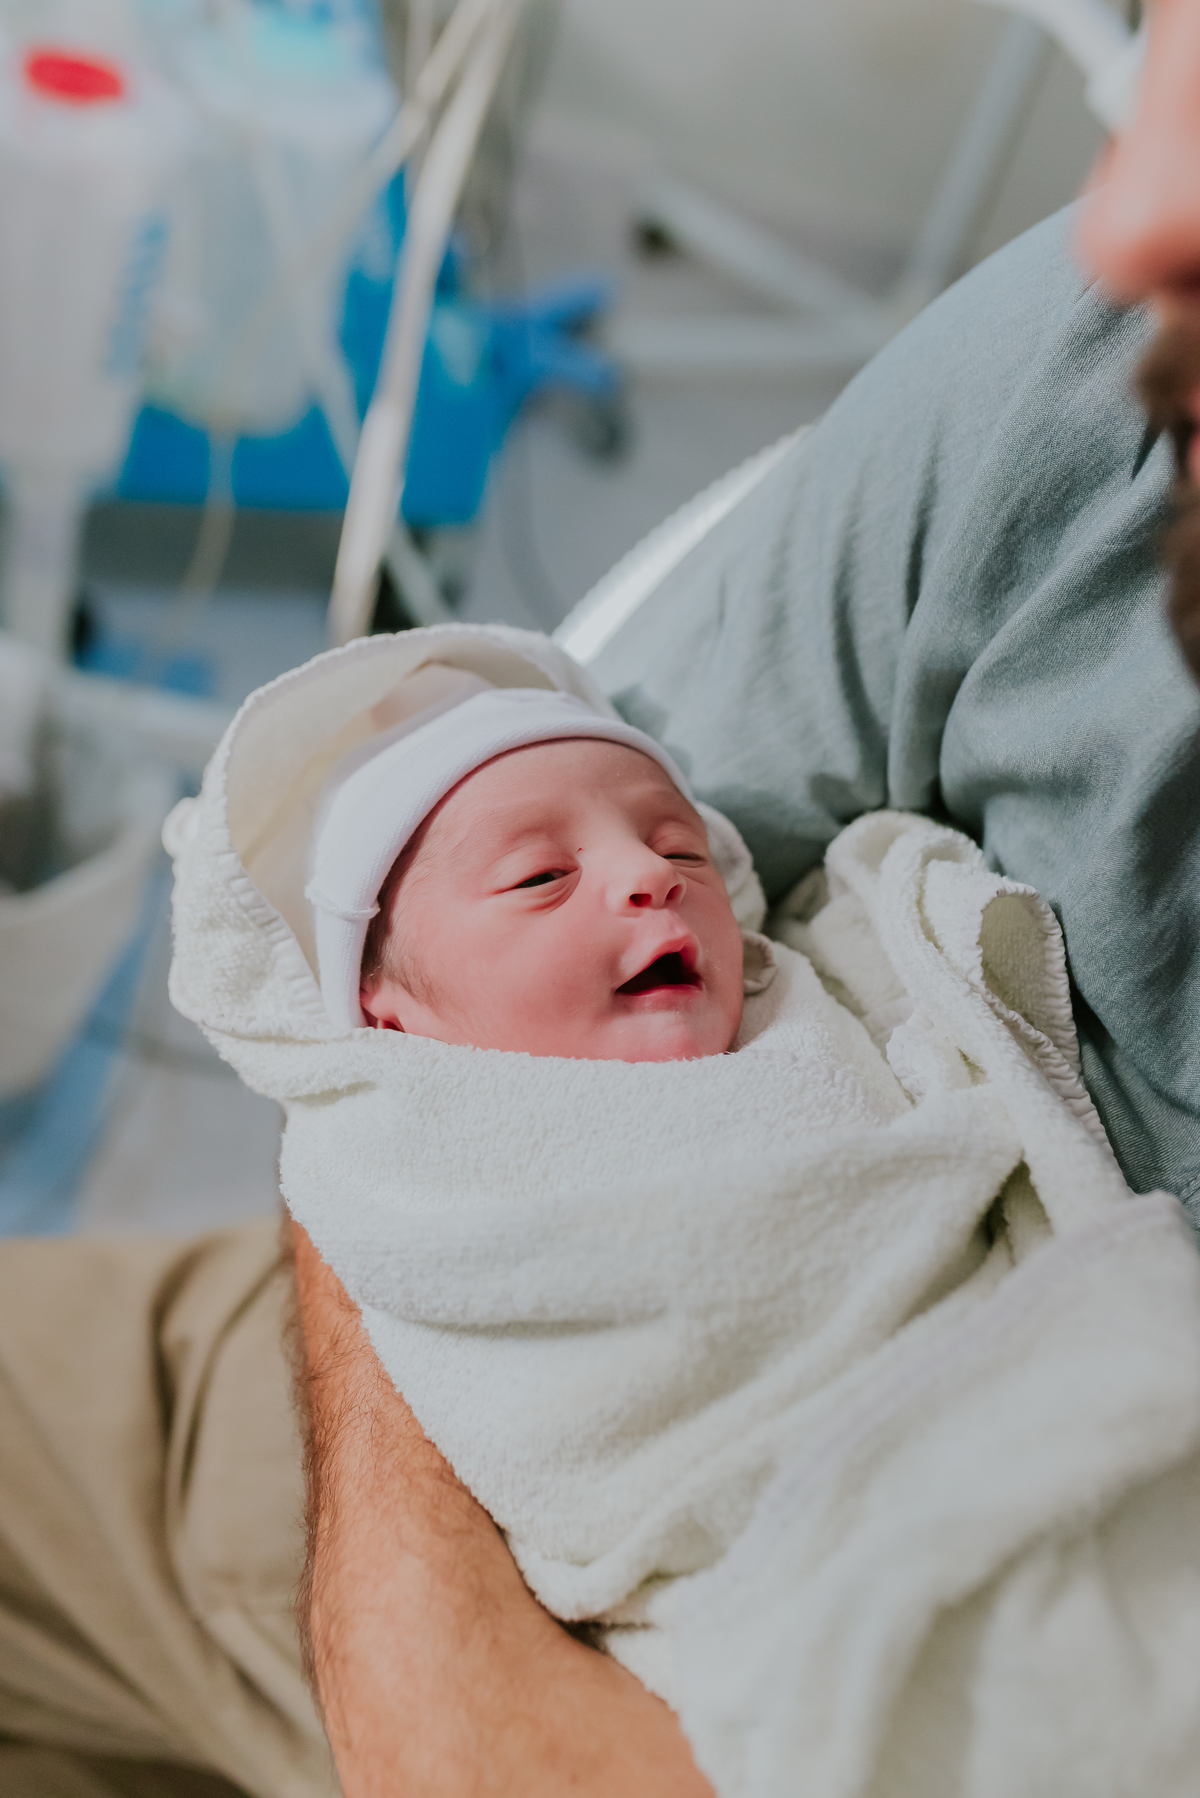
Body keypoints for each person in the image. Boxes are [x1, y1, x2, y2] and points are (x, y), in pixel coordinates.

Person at [2, 4, 1200, 1791]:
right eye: (553, 872)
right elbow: (403, 1046)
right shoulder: (1108, 373)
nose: (1131, 212)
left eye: (659, 848)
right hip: (361, 1429)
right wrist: (425, 1654)